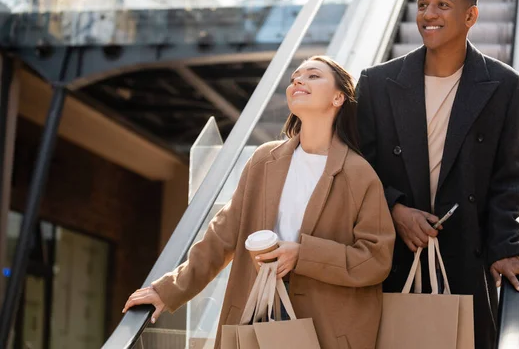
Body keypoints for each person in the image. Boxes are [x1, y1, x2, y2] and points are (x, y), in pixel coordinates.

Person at [123, 55, 395, 349]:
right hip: (256, 319)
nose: (298, 81)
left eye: (313, 76)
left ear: (339, 97)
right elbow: (222, 236)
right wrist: (168, 290)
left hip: (327, 329)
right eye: (294, 78)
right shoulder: (264, 161)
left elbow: (375, 259)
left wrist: (302, 255)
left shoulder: (359, 174)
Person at [356, 0, 519, 349]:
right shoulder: (377, 82)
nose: (428, 14)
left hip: (464, 253)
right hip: (390, 250)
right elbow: (357, 162)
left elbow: (510, 175)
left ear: (470, 17)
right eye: (423, 5)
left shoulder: (504, 84)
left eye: (443, 5)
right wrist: (395, 209)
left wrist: (504, 246)